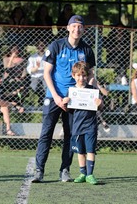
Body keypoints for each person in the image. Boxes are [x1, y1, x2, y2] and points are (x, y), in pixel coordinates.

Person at [32, 15, 96, 183]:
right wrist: (57, 97)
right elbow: (46, 73)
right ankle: (39, 170)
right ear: (68, 28)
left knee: (71, 135)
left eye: (80, 26)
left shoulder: (87, 50)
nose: (77, 29)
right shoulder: (56, 46)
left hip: (74, 100)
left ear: (84, 29)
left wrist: (90, 93)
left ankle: (65, 170)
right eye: (74, 26)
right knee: (46, 133)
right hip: (54, 97)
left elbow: (90, 76)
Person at [62, 61, 102, 185]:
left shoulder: (93, 90)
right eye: (78, 75)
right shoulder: (71, 91)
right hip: (77, 125)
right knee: (80, 151)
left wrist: (100, 104)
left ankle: (90, 174)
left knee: (90, 150)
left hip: (90, 125)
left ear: (88, 76)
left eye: (84, 75)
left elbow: (101, 106)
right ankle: (82, 173)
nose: (81, 78)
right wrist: (65, 102)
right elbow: (67, 109)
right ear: (73, 75)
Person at [26, 41, 47, 106]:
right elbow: (30, 70)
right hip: (35, 76)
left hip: (45, 75)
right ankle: (41, 98)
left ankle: (44, 100)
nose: (41, 47)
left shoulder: (47, 56)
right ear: (37, 47)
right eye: (39, 45)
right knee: (34, 87)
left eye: (42, 45)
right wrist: (37, 67)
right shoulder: (32, 57)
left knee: (46, 87)